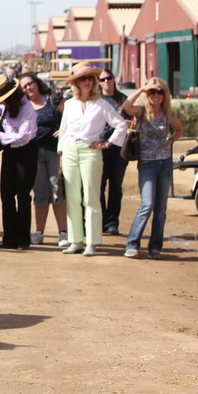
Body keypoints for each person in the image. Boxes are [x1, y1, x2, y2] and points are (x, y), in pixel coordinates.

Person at [57, 63, 128, 257]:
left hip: (91, 150)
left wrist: (108, 143)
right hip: (70, 150)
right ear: (76, 83)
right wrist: (61, 155)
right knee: (72, 197)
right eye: (83, 78)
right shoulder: (70, 104)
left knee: (91, 196)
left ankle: (92, 241)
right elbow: (64, 131)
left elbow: (121, 124)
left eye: (90, 78)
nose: (87, 82)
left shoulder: (102, 104)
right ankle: (75, 240)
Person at [122, 78, 182, 259]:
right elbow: (126, 106)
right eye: (152, 92)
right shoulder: (141, 111)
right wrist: (141, 89)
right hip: (147, 164)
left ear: (165, 94)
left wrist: (171, 140)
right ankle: (132, 244)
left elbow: (179, 129)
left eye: (160, 92)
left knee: (161, 208)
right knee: (147, 204)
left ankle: (155, 247)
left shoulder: (168, 113)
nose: (156, 95)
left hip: (165, 163)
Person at [0, 78, 38, 250]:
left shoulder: (27, 109)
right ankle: (8, 238)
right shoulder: (8, 106)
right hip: (9, 152)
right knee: (6, 195)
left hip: (25, 153)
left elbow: (23, 137)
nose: (1, 103)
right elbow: (2, 108)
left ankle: (23, 239)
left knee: (23, 195)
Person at [20, 73, 69, 247]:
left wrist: (64, 130)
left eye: (30, 83)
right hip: (33, 154)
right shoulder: (23, 105)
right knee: (40, 194)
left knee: (57, 192)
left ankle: (63, 233)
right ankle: (39, 232)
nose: (28, 88)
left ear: (37, 82)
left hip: (55, 152)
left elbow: (72, 117)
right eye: (24, 86)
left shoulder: (54, 100)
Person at [98, 68, 130, 235]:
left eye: (108, 78)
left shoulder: (122, 99)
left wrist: (125, 122)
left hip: (119, 147)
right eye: (102, 79)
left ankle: (112, 223)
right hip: (101, 145)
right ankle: (101, 220)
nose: (106, 82)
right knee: (100, 185)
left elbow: (132, 120)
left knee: (116, 186)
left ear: (113, 79)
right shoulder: (97, 100)